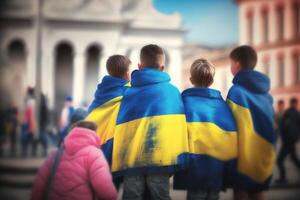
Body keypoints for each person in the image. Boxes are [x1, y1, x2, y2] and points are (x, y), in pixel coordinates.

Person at [112, 44, 189, 200]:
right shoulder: (173, 92)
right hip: (161, 159)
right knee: (161, 196)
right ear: (162, 68)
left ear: (139, 66)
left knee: (132, 196)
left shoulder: (127, 93)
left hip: (132, 159)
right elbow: (177, 127)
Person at [173, 59, 237, 200]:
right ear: (212, 80)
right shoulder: (221, 105)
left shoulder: (183, 104)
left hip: (193, 166)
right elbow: (230, 136)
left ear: (190, 79)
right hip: (216, 166)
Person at [226, 45, 276, 200]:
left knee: (240, 191)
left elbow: (230, 124)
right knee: (258, 191)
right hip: (265, 149)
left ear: (237, 64)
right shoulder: (265, 94)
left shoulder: (236, 91)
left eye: (231, 63)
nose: (230, 67)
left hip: (243, 154)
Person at [31, 120, 118, 200]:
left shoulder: (56, 154)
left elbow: (39, 186)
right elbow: (107, 193)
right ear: (94, 133)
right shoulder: (95, 154)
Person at [276, 97, 300, 183]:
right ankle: (282, 178)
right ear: (295, 103)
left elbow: (284, 127)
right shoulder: (295, 113)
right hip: (291, 140)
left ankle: (283, 178)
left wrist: (284, 137)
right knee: (294, 158)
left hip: (288, 141)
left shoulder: (288, 113)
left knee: (280, 160)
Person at [22, 87, 37, 157]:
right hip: (29, 122)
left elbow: (29, 114)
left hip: (28, 122)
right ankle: (31, 152)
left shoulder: (29, 101)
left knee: (27, 138)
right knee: (30, 137)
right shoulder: (32, 101)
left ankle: (26, 152)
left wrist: (32, 124)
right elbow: (31, 114)